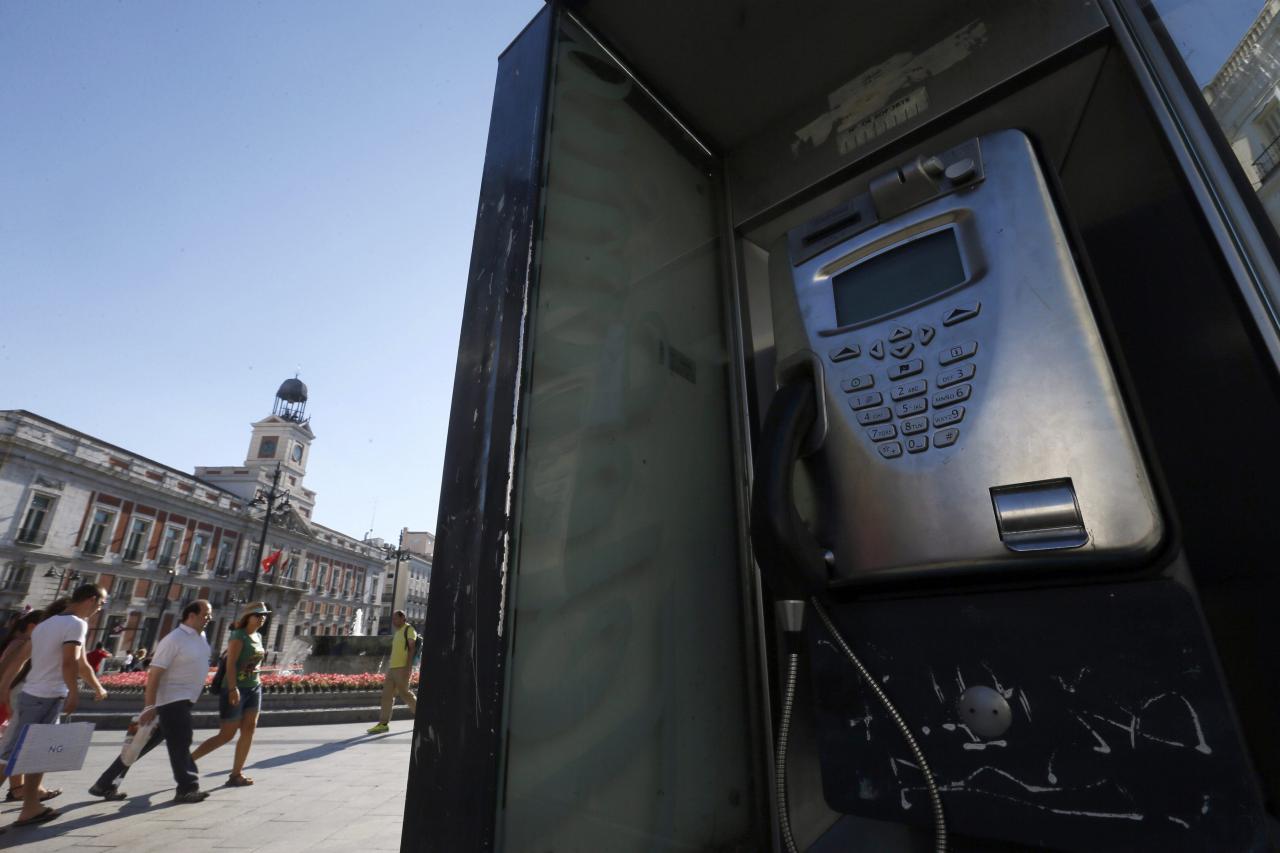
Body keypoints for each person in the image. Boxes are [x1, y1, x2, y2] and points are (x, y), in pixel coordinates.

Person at [1, 584, 108, 828]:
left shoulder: (45, 624)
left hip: (33, 693)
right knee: (11, 756)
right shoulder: (76, 623)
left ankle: (30, 808)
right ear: (91, 599)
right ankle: (30, 807)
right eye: (100, 604)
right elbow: (70, 662)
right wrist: (72, 691)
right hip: (47, 696)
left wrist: (97, 687)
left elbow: (79, 663)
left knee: (36, 754)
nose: (99, 609)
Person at [88, 600, 214, 803]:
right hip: (171, 700)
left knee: (141, 744)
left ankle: (105, 783)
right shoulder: (174, 639)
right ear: (191, 615)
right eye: (206, 614)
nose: (209, 618)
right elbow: (154, 674)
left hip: (185, 700)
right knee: (181, 742)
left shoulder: (201, 637)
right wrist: (150, 705)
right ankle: (187, 787)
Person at [191, 601, 266, 787]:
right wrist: (233, 688)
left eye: (264, 615)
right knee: (226, 734)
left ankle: (236, 774)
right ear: (248, 617)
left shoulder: (258, 636)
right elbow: (231, 664)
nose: (262, 618)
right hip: (235, 688)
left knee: (249, 729)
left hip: (254, 687)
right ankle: (187, 760)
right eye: (258, 615)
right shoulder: (238, 636)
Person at [0, 610, 45, 804]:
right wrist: (5, 696)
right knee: (12, 747)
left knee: (14, 745)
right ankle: (20, 788)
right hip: (7, 698)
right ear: (33, 626)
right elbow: (5, 670)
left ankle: (18, 788)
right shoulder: (21, 644)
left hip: (8, 697)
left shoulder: (20, 642)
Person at [367, 610, 418, 734]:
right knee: (387, 695)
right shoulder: (398, 632)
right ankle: (383, 723)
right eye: (393, 619)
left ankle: (422, 716)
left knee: (405, 693)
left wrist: (408, 667)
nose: (393, 621)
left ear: (403, 618)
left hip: (402, 668)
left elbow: (412, 648)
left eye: (396, 619)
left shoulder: (409, 630)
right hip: (392, 668)